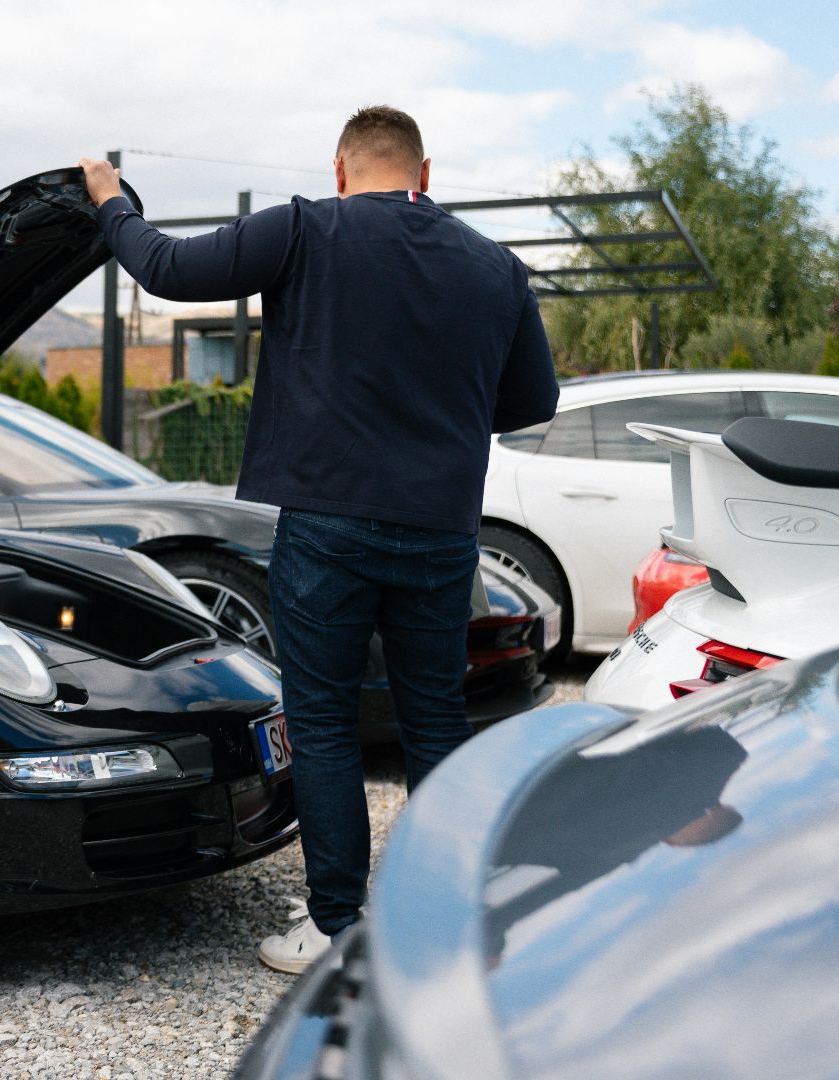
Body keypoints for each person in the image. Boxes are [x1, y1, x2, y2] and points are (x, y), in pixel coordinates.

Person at [79, 105, 559, 974]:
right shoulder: (495, 267)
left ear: (341, 169)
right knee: (436, 722)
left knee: (326, 723)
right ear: (426, 172)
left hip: (327, 524)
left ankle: (338, 927)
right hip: (440, 529)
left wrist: (112, 199)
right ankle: (445, 920)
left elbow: (165, 268)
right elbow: (533, 403)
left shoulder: (302, 229)